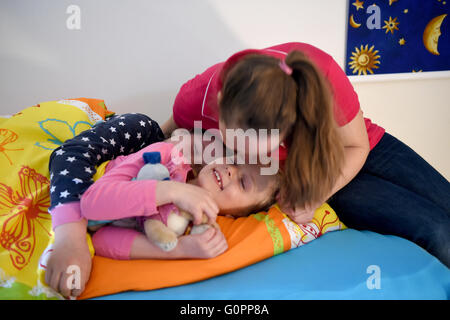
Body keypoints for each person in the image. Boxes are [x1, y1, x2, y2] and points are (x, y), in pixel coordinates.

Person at [161, 42, 450, 267]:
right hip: (314, 173)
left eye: (263, 146)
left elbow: (357, 147)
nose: (245, 157)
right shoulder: (195, 99)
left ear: (289, 124)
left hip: (362, 147)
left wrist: (315, 196)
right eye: (237, 147)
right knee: (437, 233)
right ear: (221, 105)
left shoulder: (320, 73)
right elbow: (160, 138)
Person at [78, 139, 278, 260]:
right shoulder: (165, 157)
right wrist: (172, 191)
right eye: (234, 160)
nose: (230, 169)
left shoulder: (186, 229)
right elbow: (91, 204)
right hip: (77, 181)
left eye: (243, 182)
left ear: (238, 215)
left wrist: (178, 249)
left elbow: (99, 240)